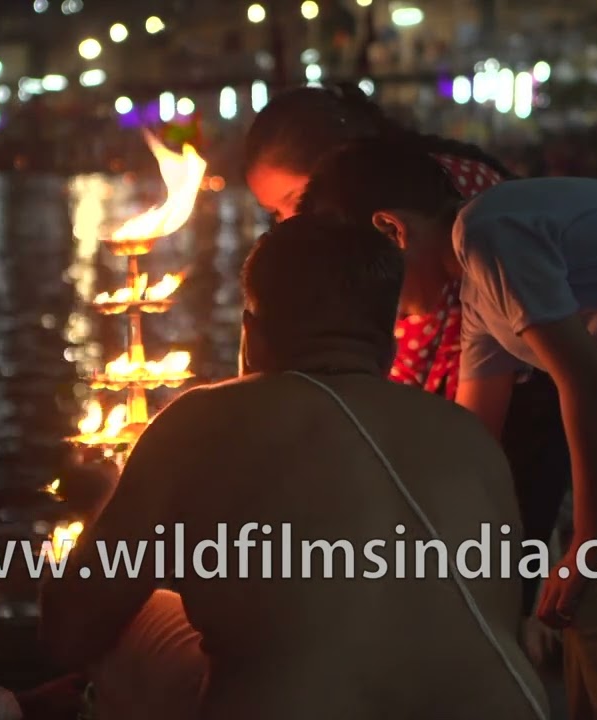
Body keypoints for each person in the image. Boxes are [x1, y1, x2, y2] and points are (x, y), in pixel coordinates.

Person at [296, 141, 597, 720]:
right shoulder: (480, 287)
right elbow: (474, 433)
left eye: (370, 278)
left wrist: (584, 542)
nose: (384, 307)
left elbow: (585, 383)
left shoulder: (488, 231)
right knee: (590, 619)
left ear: (391, 230)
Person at [38, 215, 550, 720]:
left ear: (250, 334)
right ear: (388, 347)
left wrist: (104, 500)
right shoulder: (467, 436)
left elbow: (71, 630)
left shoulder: (201, 419)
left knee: (134, 616)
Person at [244, 84, 572, 615]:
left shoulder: (448, 210)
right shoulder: (398, 196)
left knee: (484, 573)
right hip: (484, 409)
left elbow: (454, 348)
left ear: (338, 171)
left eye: (289, 205)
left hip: (524, 402)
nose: (291, 223)